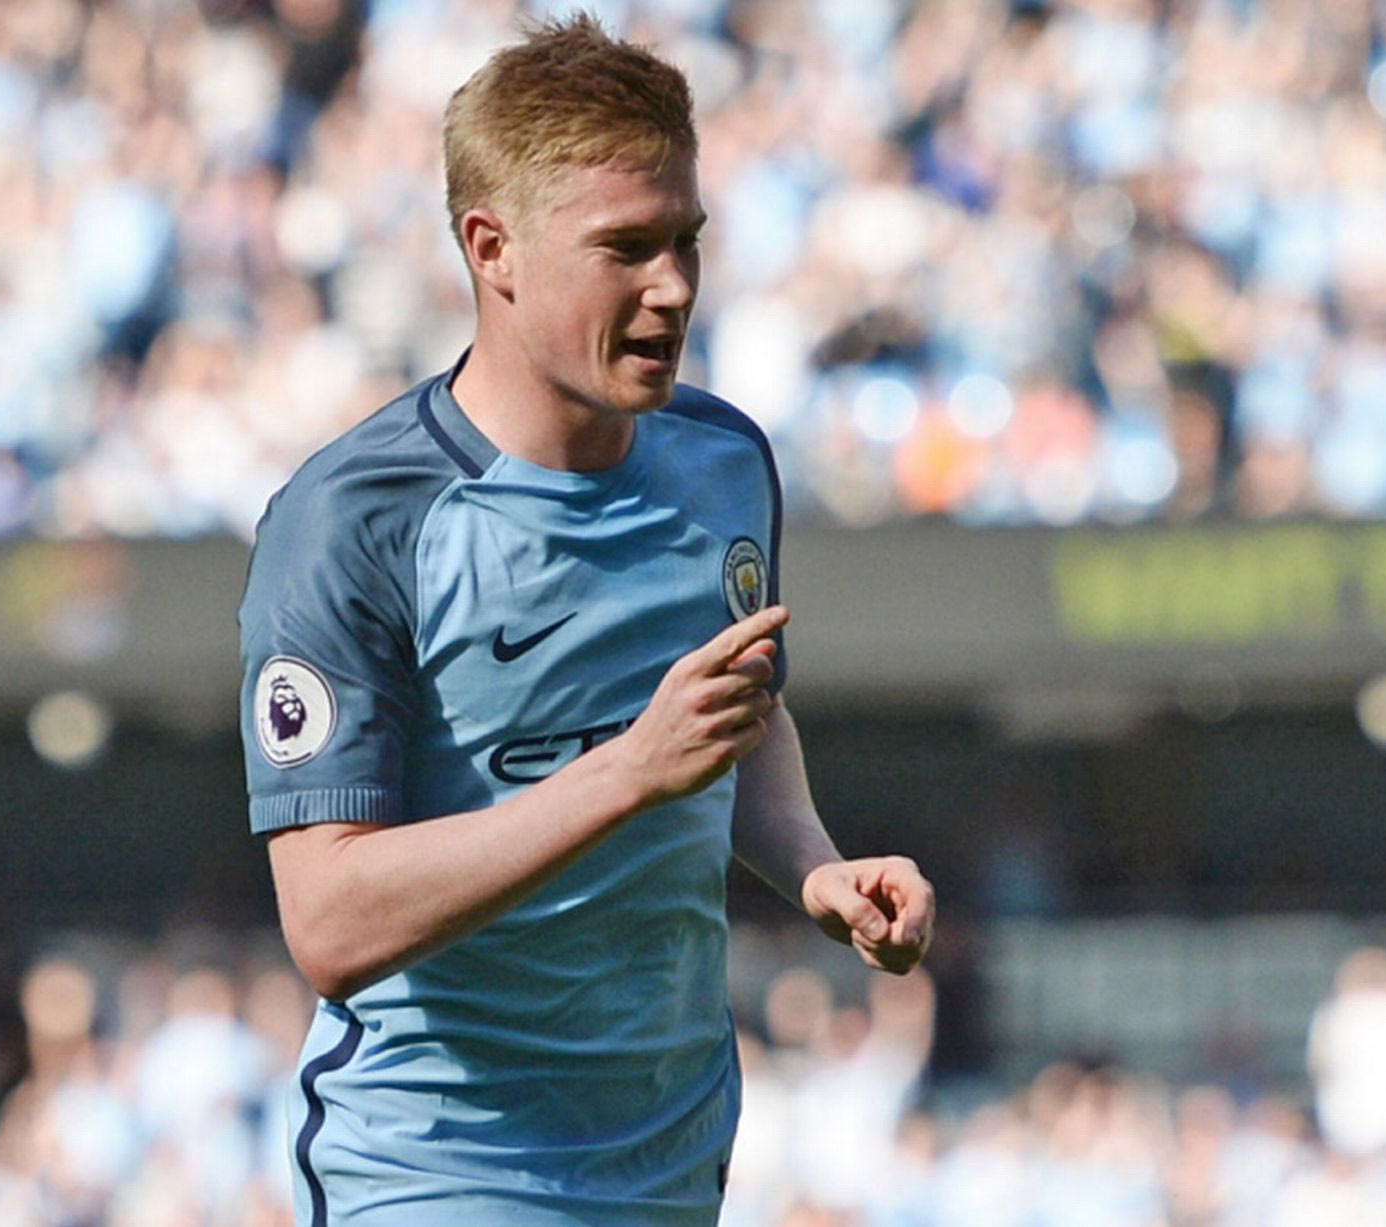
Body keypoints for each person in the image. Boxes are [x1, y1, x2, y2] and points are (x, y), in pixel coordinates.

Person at [237, 13, 934, 1225]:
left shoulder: (723, 461)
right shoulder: (354, 520)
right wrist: (625, 772)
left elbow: (738, 720)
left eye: (684, 240)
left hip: (667, 1159)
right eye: (624, 248)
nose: (672, 288)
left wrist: (814, 868)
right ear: (491, 248)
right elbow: (330, 921)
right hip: (436, 1168)